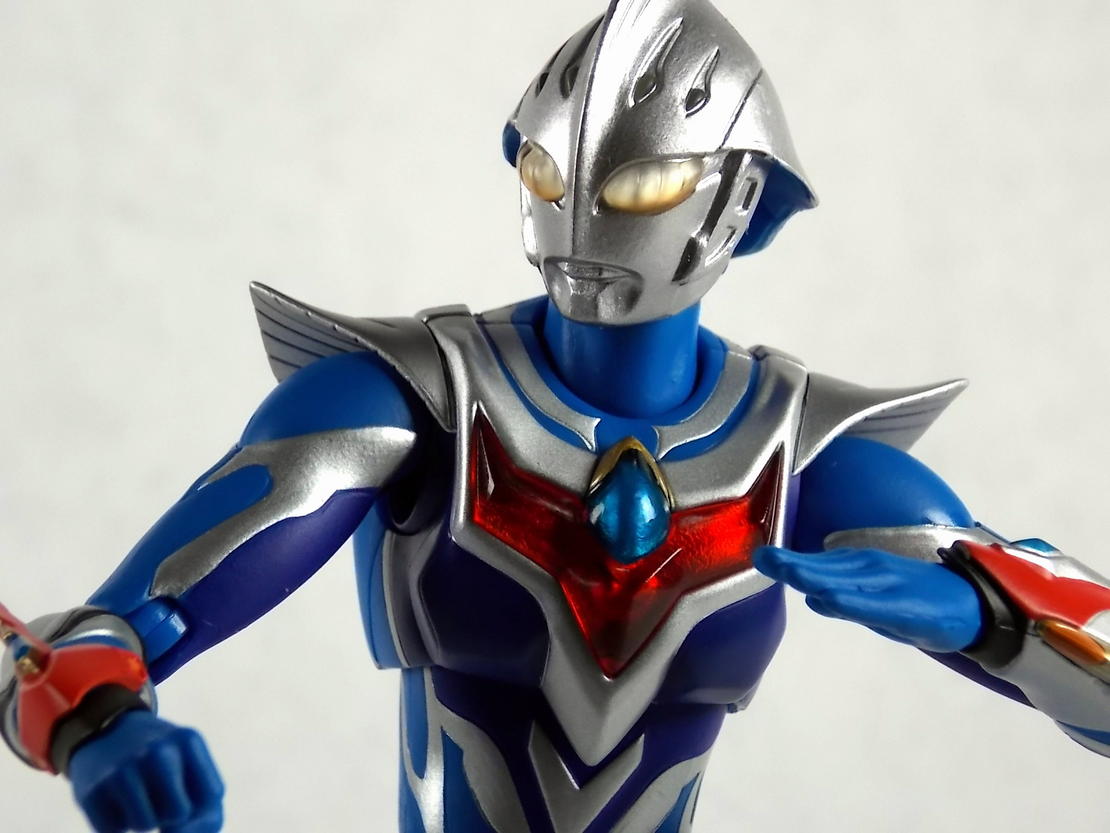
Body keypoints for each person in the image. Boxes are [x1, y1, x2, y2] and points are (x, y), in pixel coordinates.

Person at [3, 2, 1109, 831]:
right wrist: (102, 722)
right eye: (542, 168)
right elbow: (74, 644)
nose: (576, 214)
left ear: (740, 202)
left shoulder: (798, 447)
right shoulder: (408, 400)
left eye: (639, 187)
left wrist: (998, 621)